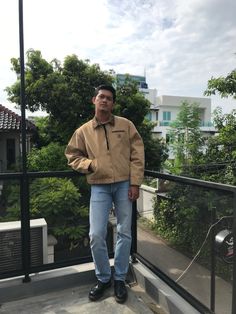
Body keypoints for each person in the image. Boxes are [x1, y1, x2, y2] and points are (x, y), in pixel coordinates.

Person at [65, 84, 144, 303]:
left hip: (124, 184)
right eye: (101, 97)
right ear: (94, 100)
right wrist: (90, 165)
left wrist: (135, 183)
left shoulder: (126, 126)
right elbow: (72, 155)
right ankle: (103, 278)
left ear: (113, 103)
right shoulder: (83, 131)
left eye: (109, 98)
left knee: (124, 231)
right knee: (96, 234)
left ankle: (119, 278)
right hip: (98, 185)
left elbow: (137, 154)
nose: (105, 101)